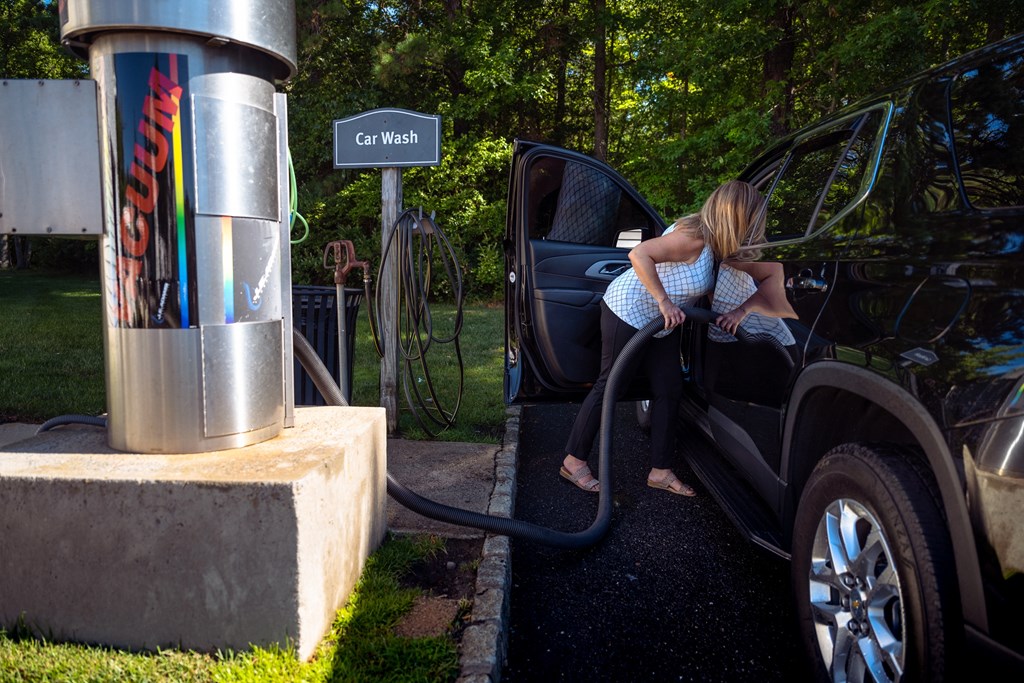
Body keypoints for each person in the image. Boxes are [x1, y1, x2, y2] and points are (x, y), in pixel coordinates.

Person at [559, 180, 796, 496]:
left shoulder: (720, 246)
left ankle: (660, 470)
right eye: (752, 220)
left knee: (669, 389)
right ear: (738, 217)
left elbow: (758, 276)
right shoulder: (692, 238)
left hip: (665, 323)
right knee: (611, 384)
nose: (755, 227)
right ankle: (573, 461)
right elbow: (639, 254)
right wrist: (663, 301)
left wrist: (738, 312)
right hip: (629, 310)